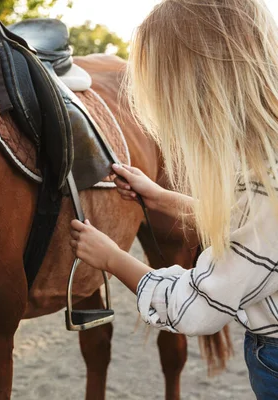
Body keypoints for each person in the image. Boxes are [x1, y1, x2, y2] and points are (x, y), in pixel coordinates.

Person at [69, 0, 278, 398]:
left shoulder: (262, 181)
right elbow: (254, 227)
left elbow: (196, 309)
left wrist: (113, 258)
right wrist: (164, 198)